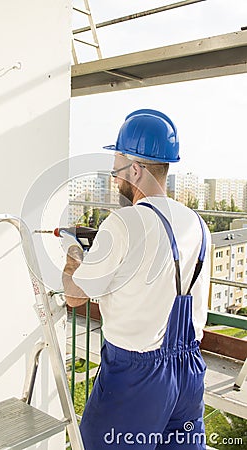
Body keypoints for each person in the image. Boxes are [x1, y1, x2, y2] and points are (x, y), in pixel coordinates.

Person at [62, 109, 211, 449]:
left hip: (135, 376)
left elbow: (74, 297)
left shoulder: (123, 223)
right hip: (188, 372)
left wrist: (73, 257)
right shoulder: (198, 225)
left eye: (117, 166)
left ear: (135, 168)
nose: (114, 176)